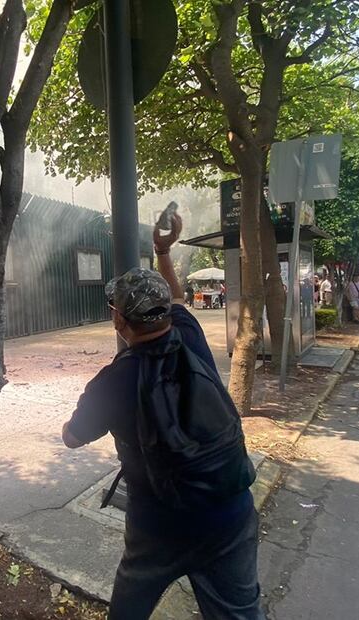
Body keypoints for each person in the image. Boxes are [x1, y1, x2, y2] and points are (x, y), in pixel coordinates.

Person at [61, 214, 263, 619]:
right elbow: (177, 298)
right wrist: (163, 251)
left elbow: (73, 437)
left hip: (159, 523)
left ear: (119, 320)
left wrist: (78, 419)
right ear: (163, 314)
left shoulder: (114, 381)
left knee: (129, 610)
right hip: (230, 510)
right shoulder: (187, 333)